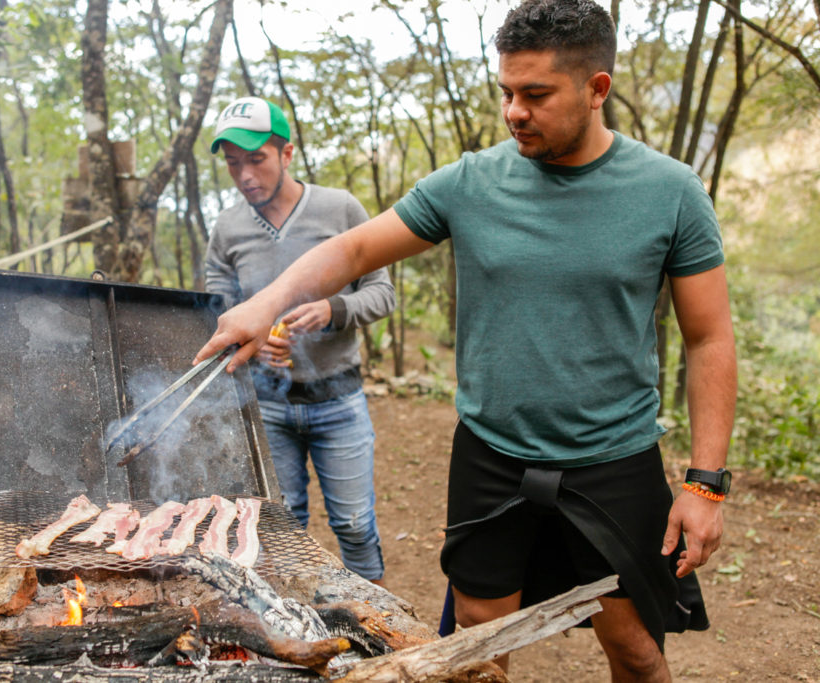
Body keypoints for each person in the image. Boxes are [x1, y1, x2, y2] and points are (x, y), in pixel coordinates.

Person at [195, 2, 737, 680]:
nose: (514, 111)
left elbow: (709, 337)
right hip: (492, 454)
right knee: (477, 642)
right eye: (506, 92)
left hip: (614, 457)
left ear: (596, 88)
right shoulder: (472, 181)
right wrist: (263, 305)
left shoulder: (670, 191)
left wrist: (706, 485)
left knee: (632, 645)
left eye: (535, 94)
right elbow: (355, 248)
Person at [204, 96, 395, 586]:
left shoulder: (339, 208)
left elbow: (383, 293)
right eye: (233, 163)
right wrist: (250, 344)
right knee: (281, 530)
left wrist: (334, 310)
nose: (245, 175)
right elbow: (216, 310)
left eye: (256, 159)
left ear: (287, 154)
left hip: (338, 400)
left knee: (354, 525)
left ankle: (376, 616)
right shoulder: (227, 228)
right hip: (267, 407)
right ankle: (292, 620)